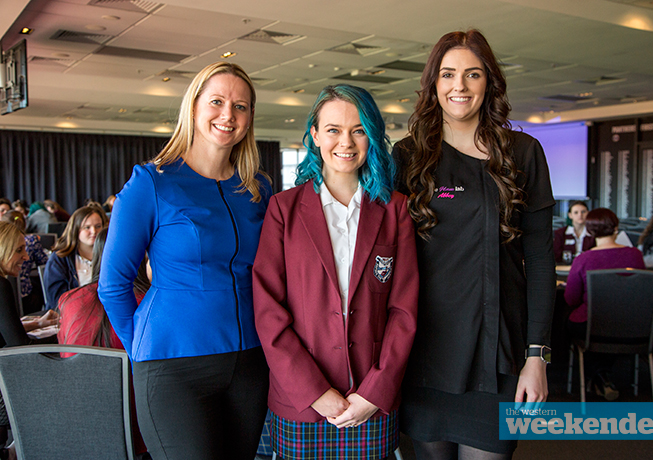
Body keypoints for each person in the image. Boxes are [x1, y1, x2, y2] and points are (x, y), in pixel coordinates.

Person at [392, 30, 555, 459]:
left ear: (489, 83)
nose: (459, 86)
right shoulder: (407, 158)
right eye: (448, 75)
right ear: (434, 84)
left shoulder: (523, 153)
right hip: (425, 352)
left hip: (499, 352)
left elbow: (540, 261)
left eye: (472, 74)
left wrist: (536, 357)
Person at [98, 61, 272, 460]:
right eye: (217, 101)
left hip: (249, 363)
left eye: (241, 106)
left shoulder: (256, 187)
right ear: (193, 107)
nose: (228, 115)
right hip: (173, 368)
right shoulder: (152, 182)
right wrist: (142, 348)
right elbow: (113, 285)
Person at [253, 84, 418, 460]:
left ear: (372, 136)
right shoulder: (283, 209)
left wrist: (375, 391)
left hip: (369, 397)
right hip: (302, 399)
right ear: (314, 134)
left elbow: (403, 312)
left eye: (358, 130)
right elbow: (268, 311)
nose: (346, 141)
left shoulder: (395, 211)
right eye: (333, 130)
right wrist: (314, 391)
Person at [57, 227, 150, 458]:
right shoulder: (148, 303)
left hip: (77, 424)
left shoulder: (69, 301)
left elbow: (64, 357)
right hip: (138, 429)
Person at [564, 208, 645, 400]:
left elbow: (571, 299)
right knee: (608, 327)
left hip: (591, 326)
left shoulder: (583, 259)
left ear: (589, 231)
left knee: (572, 323)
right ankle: (603, 376)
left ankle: (598, 376)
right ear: (616, 228)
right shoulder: (635, 256)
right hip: (631, 325)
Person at [44, 206, 107, 310]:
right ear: (76, 229)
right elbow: (56, 299)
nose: (94, 231)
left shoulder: (109, 255)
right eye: (87, 227)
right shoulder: (60, 258)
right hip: (71, 314)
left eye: (98, 226)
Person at [0, 211, 48, 313]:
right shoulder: (2, 285)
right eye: (19, 250)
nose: (26, 256)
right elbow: (44, 264)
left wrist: (37, 324)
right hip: (26, 295)